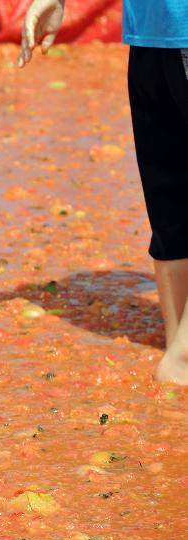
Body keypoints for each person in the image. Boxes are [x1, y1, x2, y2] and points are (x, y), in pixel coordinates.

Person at [18, 0, 188, 385]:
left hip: (151, 38)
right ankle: (182, 359)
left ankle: (177, 351)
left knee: (171, 205)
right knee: (171, 205)